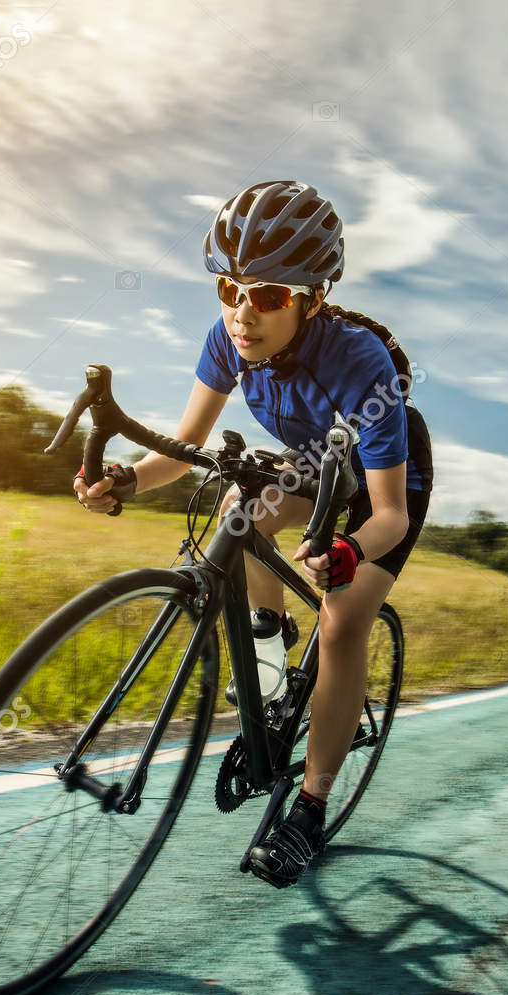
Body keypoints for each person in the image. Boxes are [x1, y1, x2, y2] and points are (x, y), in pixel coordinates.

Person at [73, 179, 434, 888]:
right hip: (316, 458)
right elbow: (183, 448)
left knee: (340, 620)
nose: (243, 312)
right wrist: (122, 485)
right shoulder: (229, 340)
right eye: (229, 289)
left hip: (387, 482)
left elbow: (387, 513)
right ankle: (268, 644)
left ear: (312, 299)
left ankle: (309, 809)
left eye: (268, 295)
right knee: (240, 508)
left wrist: (349, 549)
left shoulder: (361, 365)